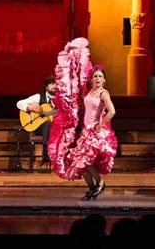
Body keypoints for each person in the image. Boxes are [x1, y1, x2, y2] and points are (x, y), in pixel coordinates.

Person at [48, 37, 117, 200]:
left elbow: (112, 111)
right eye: (95, 76)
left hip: (94, 131)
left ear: (104, 79)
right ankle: (92, 187)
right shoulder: (90, 92)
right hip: (85, 130)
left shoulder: (103, 93)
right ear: (92, 78)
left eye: (100, 77)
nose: (97, 79)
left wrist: (101, 125)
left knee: (85, 161)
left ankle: (100, 183)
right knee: (77, 161)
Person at [16, 76, 56, 167]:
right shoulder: (38, 97)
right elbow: (19, 103)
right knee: (47, 123)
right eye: (51, 84)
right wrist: (29, 107)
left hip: (55, 129)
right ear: (46, 87)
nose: (54, 86)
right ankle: (45, 156)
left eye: (56, 83)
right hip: (38, 127)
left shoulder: (61, 100)